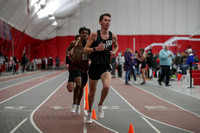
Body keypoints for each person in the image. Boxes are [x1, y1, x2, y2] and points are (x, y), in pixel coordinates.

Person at [83, 13, 119, 124]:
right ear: (100, 22)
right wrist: (96, 49)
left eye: (109, 20)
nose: (107, 22)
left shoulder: (113, 36)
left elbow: (116, 46)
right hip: (94, 66)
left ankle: (100, 105)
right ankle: (89, 113)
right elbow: (85, 49)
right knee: (92, 93)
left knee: (107, 86)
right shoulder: (94, 35)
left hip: (105, 66)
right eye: (105, 20)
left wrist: (114, 52)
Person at [65, 27, 91, 114]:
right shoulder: (74, 43)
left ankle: (78, 104)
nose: (84, 34)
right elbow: (67, 50)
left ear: (88, 35)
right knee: (78, 84)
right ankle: (74, 104)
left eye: (86, 33)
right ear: (80, 34)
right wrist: (68, 58)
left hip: (84, 68)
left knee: (82, 87)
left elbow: (90, 56)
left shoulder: (89, 45)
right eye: (83, 33)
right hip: (75, 67)